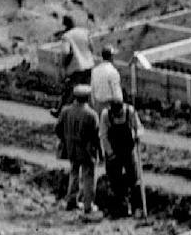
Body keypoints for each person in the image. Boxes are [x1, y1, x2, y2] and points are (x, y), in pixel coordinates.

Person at [56, 85, 101, 217]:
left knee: (74, 173)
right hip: (86, 150)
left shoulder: (65, 111)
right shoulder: (91, 115)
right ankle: (88, 205)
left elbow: (58, 129)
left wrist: (65, 139)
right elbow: (96, 136)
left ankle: (71, 200)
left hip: (71, 148)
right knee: (88, 176)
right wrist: (99, 152)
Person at [101, 92, 143, 218]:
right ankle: (120, 208)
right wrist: (110, 153)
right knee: (115, 180)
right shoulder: (106, 115)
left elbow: (139, 127)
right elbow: (103, 135)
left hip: (128, 150)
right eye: (115, 114)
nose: (118, 116)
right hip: (113, 151)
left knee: (134, 179)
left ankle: (137, 207)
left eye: (119, 114)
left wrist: (138, 134)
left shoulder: (130, 112)